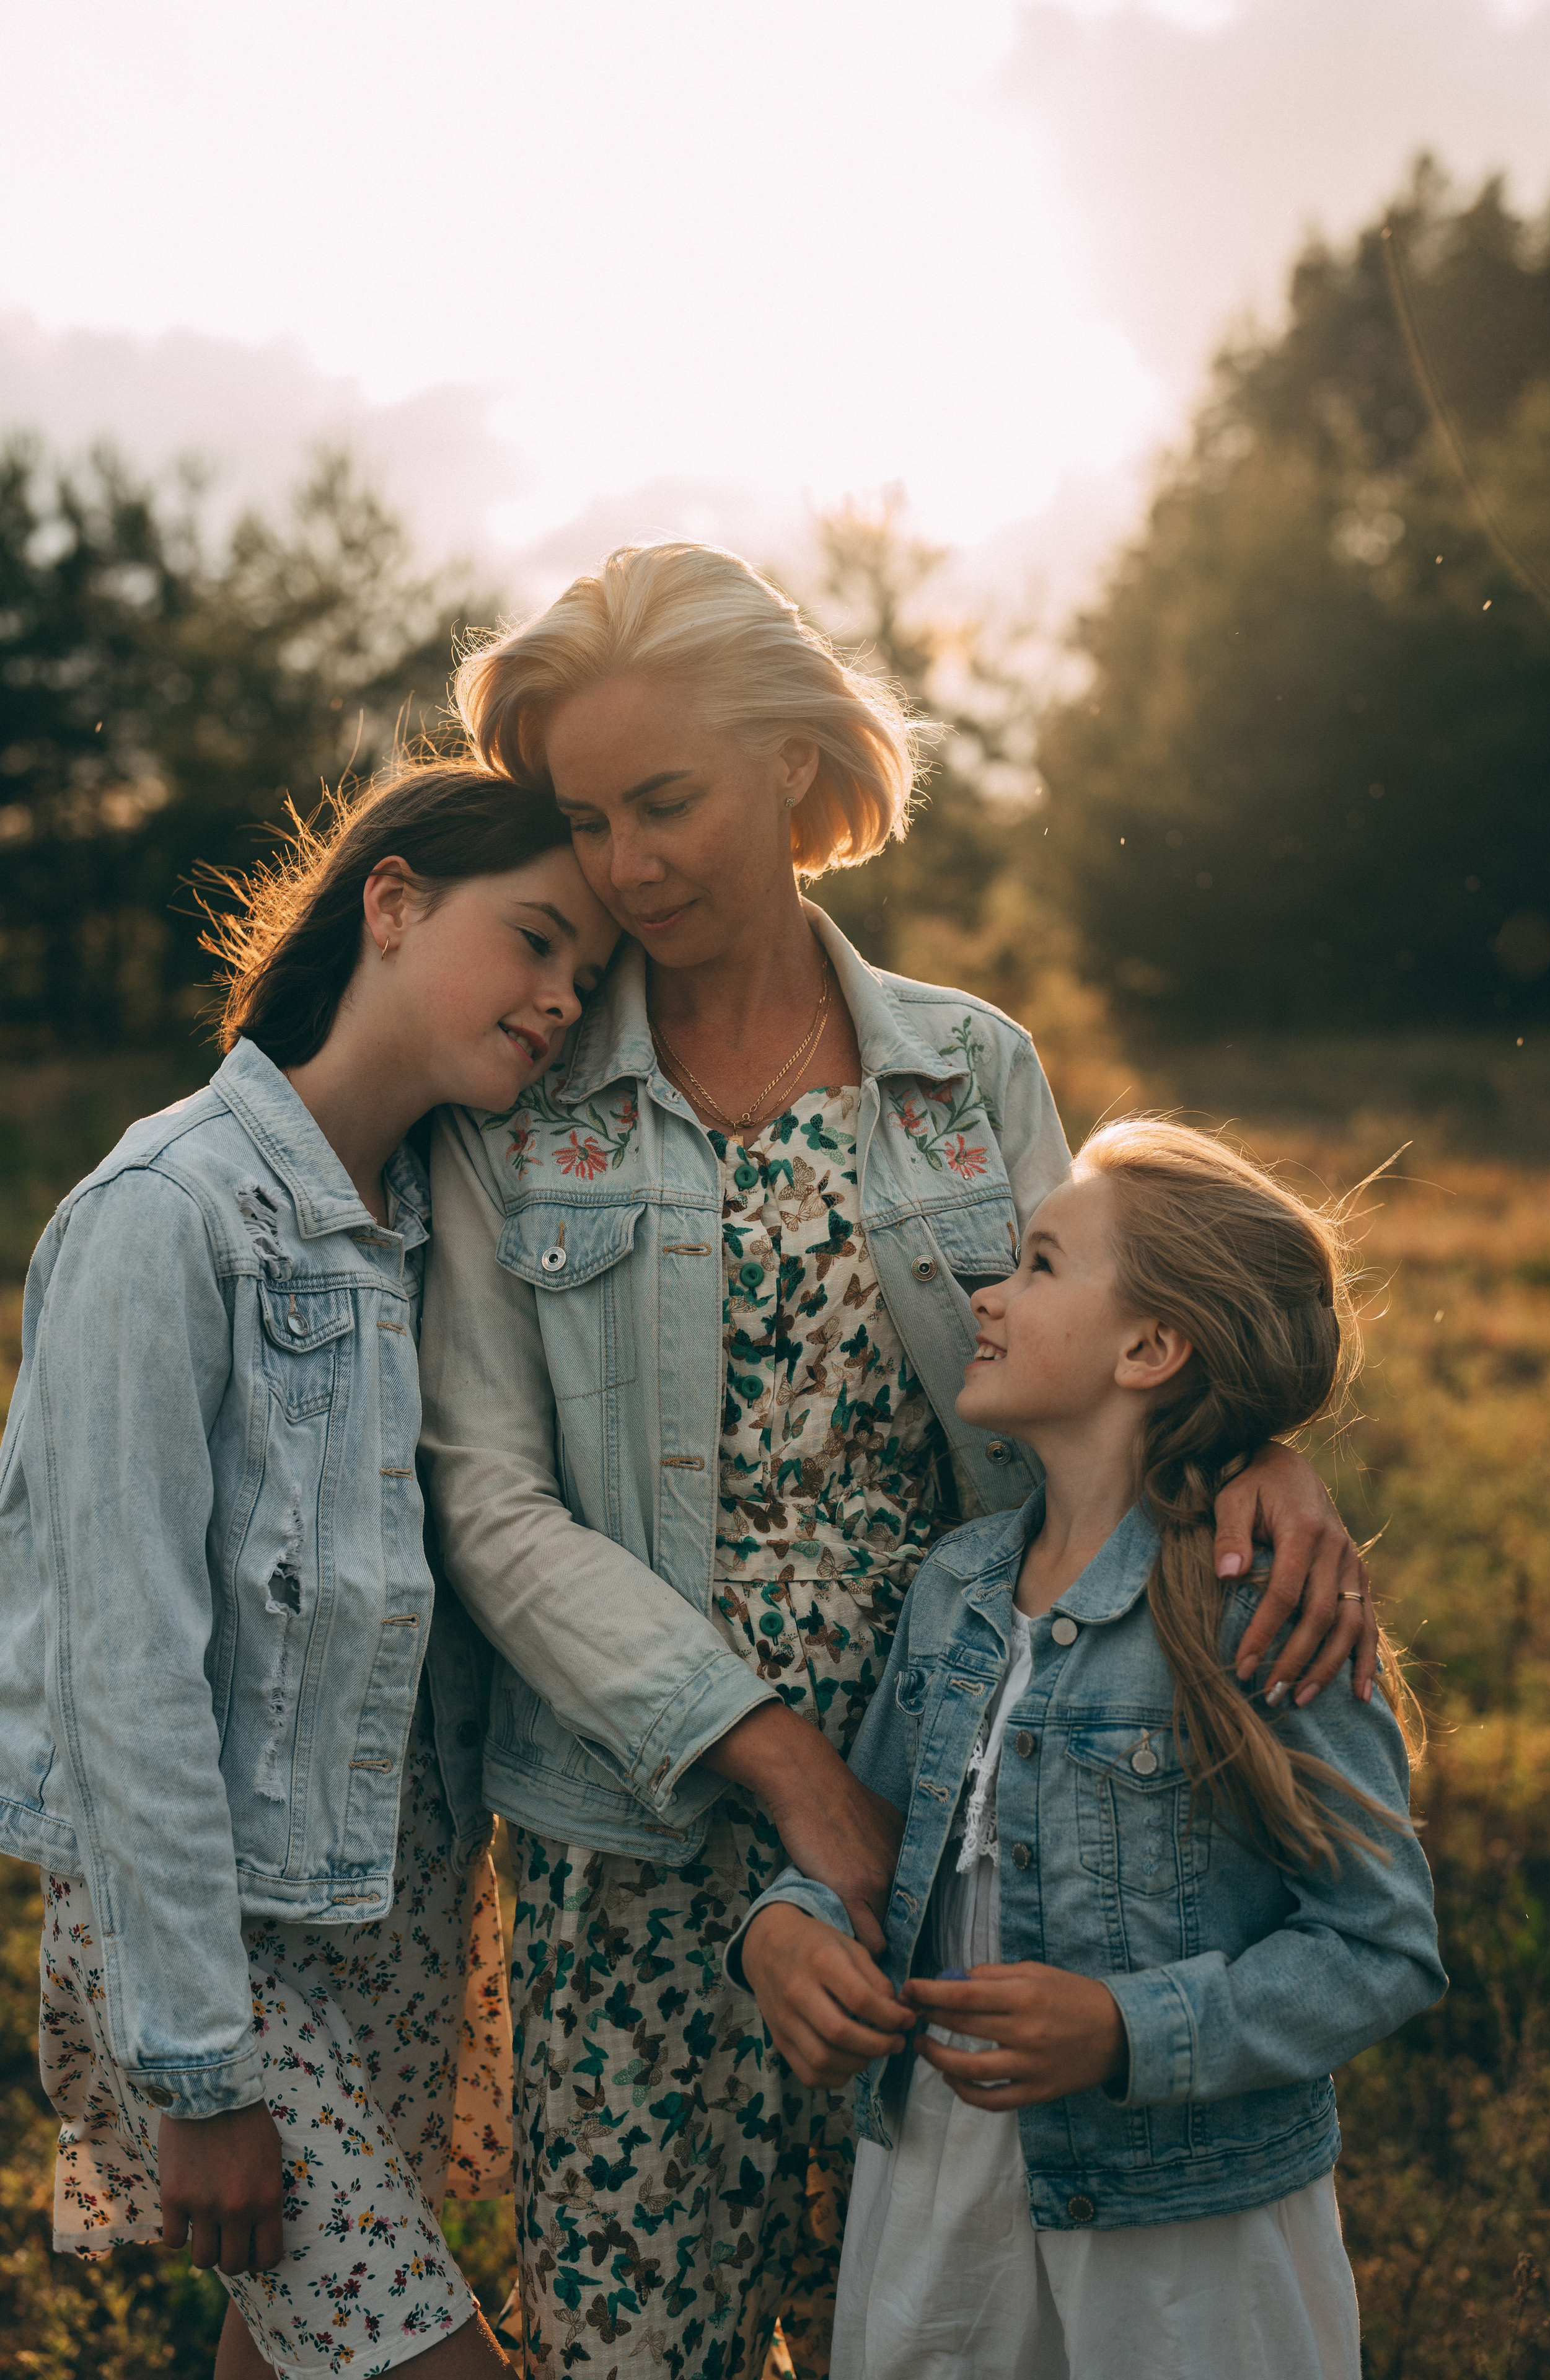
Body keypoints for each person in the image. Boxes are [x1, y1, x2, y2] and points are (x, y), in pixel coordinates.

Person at [417, 542, 1381, 2380]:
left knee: (940, 2334)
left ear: (790, 760)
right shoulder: (517, 1094)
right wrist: (784, 1767)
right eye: (588, 821)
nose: (626, 867)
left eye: (667, 803)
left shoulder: (963, 1073)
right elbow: (489, 1503)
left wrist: (1254, 1454)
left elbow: (1105, 1350)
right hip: (639, 1845)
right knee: (639, 2350)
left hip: (974, 1834)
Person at [0, 761, 620, 2380]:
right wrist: (201, 2069)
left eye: (587, 974)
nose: (563, 1000)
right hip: (221, 1937)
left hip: (402, 1906)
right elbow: (120, 1664)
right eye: (536, 940)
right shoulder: (166, 1213)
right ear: (392, 902)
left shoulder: (445, 1222)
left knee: (291, 2354)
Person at [733, 1118, 1445, 2380]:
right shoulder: (956, 1588)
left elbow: (1379, 1946)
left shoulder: (1255, 1610)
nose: (987, 1295)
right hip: (940, 2185)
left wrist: (1127, 2029)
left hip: (1182, 2226)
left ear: (1149, 1349)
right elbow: (880, 1852)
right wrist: (787, 1929)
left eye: (1040, 1265)